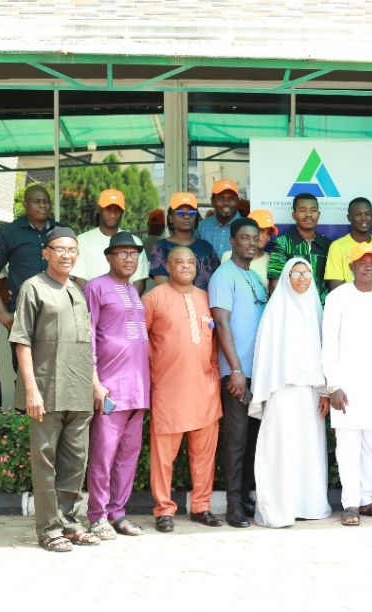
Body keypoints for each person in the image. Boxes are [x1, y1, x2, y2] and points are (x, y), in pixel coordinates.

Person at [11, 227, 98, 551]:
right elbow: (21, 341)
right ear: (45, 252)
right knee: (45, 462)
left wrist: (96, 385)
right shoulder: (33, 288)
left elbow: (84, 345)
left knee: (76, 462)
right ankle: (49, 529)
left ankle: (70, 523)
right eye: (59, 249)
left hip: (78, 392)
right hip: (46, 391)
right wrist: (31, 390)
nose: (66, 255)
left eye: (72, 250)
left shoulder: (77, 289)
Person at [143, 246, 223, 532]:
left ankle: (201, 507)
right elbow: (140, 345)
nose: (186, 266)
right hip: (168, 389)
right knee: (164, 456)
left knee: (204, 455)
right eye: (179, 261)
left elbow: (215, 343)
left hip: (205, 389)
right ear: (167, 265)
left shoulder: (207, 299)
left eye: (191, 262)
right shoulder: (153, 299)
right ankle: (164, 509)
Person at [248, 258, 332, 528]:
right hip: (282, 392)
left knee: (308, 452)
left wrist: (324, 392)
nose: (302, 278)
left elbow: (323, 355)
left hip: (310, 395)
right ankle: (278, 508)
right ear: (286, 277)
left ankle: (308, 505)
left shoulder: (315, 310)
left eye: (307, 273)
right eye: (296, 273)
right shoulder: (275, 311)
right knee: (281, 450)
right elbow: (265, 356)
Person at [322, 243, 372, 526]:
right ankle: (350, 503)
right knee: (348, 446)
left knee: (371, 447)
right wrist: (333, 385)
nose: (367, 266)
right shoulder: (338, 297)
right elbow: (329, 343)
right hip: (346, 385)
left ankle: (366, 499)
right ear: (351, 266)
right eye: (361, 262)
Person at [83, 231, 150, 540]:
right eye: (122, 253)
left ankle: (117, 514)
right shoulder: (96, 287)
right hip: (110, 388)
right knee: (103, 454)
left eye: (133, 254)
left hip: (137, 388)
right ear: (109, 257)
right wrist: (96, 383)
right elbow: (88, 338)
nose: (128, 259)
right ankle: (97, 516)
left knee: (127, 455)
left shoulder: (133, 291)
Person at [209, 218, 268, 528]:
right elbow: (221, 324)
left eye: (254, 238)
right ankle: (233, 504)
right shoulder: (224, 276)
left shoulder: (255, 278)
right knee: (236, 440)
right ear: (232, 241)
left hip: (258, 374)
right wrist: (234, 369)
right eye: (244, 237)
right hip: (237, 373)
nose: (250, 242)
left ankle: (245, 497)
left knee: (254, 439)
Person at [0, 185, 65, 333]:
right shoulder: (9, 233)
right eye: (37, 201)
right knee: (23, 357)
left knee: (56, 357)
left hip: (57, 313)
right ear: (25, 204)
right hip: (22, 314)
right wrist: (2, 312)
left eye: (46, 201)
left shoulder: (62, 231)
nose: (42, 205)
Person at [71, 188, 149, 294]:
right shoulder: (82, 241)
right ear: (99, 209)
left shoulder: (135, 242)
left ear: (122, 211)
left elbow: (139, 282)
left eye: (116, 210)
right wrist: (94, 305)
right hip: (91, 306)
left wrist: (126, 304)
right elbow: (79, 280)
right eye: (108, 209)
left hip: (126, 307)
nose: (112, 214)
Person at [267, 193, 331, 305]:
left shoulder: (328, 245)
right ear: (294, 215)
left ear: (318, 214)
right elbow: (274, 284)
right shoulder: (282, 243)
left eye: (313, 210)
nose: (309, 214)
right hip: (292, 310)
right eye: (302, 210)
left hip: (321, 312)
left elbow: (331, 284)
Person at [149, 193, 220, 291]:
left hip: (204, 304)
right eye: (180, 213)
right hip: (173, 305)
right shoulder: (161, 247)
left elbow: (217, 283)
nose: (186, 216)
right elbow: (162, 288)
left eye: (191, 213)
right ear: (170, 218)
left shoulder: (206, 247)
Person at [324, 198, 372, 289]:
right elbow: (336, 287)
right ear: (349, 217)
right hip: (348, 301)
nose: (363, 218)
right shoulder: (337, 247)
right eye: (358, 214)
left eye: (367, 214)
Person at [222, 209, 276, 288]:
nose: (266, 237)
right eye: (261, 231)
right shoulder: (227, 256)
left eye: (269, 233)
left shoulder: (271, 260)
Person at [196, 179, 241, 259]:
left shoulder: (246, 228)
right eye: (220, 198)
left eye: (231, 199)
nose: (226, 203)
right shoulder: (201, 227)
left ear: (237, 201)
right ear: (212, 201)